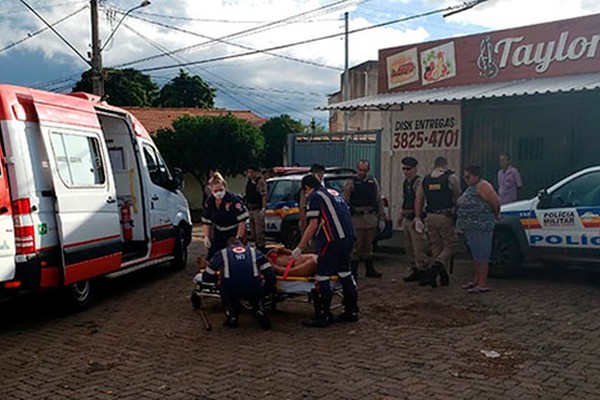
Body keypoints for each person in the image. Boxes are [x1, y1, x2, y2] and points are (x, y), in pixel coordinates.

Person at [292, 174, 358, 328]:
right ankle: (351, 311)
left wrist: (300, 247)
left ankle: (322, 315)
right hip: (348, 237)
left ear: (307, 188)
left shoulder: (315, 197)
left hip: (332, 239)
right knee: (345, 273)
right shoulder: (333, 192)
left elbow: (313, 224)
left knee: (323, 275)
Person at [201, 238, 276, 328]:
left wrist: (217, 280)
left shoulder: (222, 253)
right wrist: (267, 289)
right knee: (256, 294)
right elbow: (270, 273)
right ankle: (258, 309)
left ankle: (232, 316)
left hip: (230, 288)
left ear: (228, 245)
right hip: (253, 287)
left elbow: (208, 276)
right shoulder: (254, 252)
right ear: (243, 243)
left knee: (227, 292)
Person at [415, 156, 461, 287]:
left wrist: (418, 217)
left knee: (436, 247)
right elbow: (458, 197)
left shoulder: (426, 179)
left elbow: (419, 199)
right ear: (445, 164)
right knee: (451, 244)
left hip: (430, 217)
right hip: (445, 216)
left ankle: (443, 276)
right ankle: (436, 267)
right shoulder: (450, 178)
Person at [456, 165, 500, 293]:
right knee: (476, 255)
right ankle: (476, 280)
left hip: (481, 226)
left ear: (476, 176)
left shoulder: (483, 186)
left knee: (482, 254)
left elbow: (495, 202)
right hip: (471, 227)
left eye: (467, 176)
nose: (465, 179)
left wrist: (496, 214)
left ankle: (482, 283)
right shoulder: (472, 187)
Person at [342, 159, 385, 278]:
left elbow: (378, 200)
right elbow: (345, 201)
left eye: (365, 170)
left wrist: (382, 217)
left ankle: (369, 270)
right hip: (357, 218)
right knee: (356, 246)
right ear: (357, 169)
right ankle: (354, 272)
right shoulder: (351, 182)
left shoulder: (372, 181)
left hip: (370, 217)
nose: (362, 173)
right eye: (360, 170)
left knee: (368, 245)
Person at [397, 156, 430, 283]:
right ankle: (415, 269)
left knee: (419, 247)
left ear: (415, 168)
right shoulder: (407, 182)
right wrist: (401, 215)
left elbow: (419, 201)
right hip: (408, 218)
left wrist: (417, 217)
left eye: (408, 169)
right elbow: (406, 200)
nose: (406, 171)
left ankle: (423, 271)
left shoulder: (418, 182)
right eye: (404, 169)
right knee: (409, 247)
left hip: (417, 219)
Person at [201, 177, 249, 261]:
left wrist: (238, 238)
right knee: (213, 256)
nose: (218, 193)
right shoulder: (209, 202)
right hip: (219, 231)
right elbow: (206, 221)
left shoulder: (233, 200)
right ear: (211, 191)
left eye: (221, 190)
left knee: (236, 255)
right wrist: (206, 237)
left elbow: (242, 220)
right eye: (215, 191)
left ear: (225, 188)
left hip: (234, 230)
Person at [245, 166, 268, 252]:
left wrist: (263, 208)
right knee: (253, 231)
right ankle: (256, 246)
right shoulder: (249, 182)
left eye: (251, 172)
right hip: (250, 209)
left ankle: (261, 249)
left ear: (256, 172)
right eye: (249, 172)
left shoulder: (260, 182)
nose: (250, 174)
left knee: (259, 232)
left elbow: (264, 195)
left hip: (257, 209)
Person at [299, 163, 326, 232]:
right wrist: (304, 226)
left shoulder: (324, 187)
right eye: (320, 175)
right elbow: (303, 208)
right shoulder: (307, 189)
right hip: (311, 220)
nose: (321, 177)